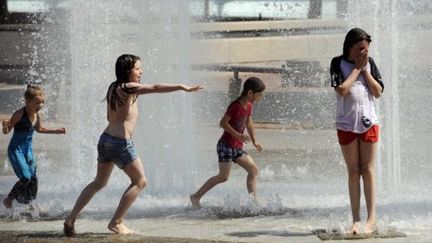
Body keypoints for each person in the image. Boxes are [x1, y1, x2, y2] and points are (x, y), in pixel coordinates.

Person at [63, 54, 202, 236]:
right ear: (128, 71)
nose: (141, 71)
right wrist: (183, 87)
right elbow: (155, 87)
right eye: (137, 68)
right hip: (120, 142)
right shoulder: (128, 87)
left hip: (105, 139)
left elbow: (109, 117)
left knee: (99, 182)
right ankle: (117, 222)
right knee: (140, 181)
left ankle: (71, 218)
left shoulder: (113, 88)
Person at [330, 28, 384, 235]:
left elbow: (378, 92)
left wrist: (365, 70)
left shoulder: (369, 64)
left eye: (366, 49)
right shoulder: (337, 63)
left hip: (369, 122)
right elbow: (342, 90)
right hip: (345, 123)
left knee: (367, 169)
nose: (364, 53)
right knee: (353, 170)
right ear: (350, 47)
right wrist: (356, 69)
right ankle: (356, 219)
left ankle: (371, 219)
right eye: (360, 49)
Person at [190, 77, 265, 209]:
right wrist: (237, 135)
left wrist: (254, 140)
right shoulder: (235, 106)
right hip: (225, 146)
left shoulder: (248, 106)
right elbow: (222, 123)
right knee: (223, 177)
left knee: (253, 170)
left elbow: (248, 122)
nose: (260, 97)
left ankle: (253, 202)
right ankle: (195, 196)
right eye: (258, 94)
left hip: (236, 146)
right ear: (249, 93)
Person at [2, 85, 66, 210]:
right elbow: (7, 130)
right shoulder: (20, 114)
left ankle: (30, 203)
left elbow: (40, 129)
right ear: (28, 101)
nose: (40, 105)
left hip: (28, 151)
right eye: (37, 103)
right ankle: (8, 199)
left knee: (33, 179)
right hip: (16, 150)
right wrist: (5, 126)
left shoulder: (37, 115)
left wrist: (56, 131)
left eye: (42, 102)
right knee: (25, 177)